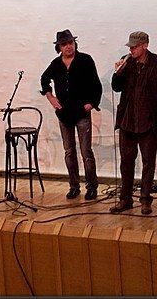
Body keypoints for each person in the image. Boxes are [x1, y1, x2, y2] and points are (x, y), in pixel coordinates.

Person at [110, 31, 157, 215]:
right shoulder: (126, 61)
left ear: (145, 45)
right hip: (128, 120)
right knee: (126, 162)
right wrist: (117, 73)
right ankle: (125, 199)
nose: (131, 50)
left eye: (135, 47)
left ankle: (145, 200)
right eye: (130, 47)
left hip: (148, 120)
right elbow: (116, 87)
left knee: (148, 163)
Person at [40, 29, 102, 200]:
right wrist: (51, 97)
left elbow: (96, 85)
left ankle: (92, 186)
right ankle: (74, 186)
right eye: (64, 44)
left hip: (82, 113)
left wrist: (91, 103)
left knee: (86, 152)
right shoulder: (56, 64)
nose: (68, 46)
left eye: (70, 43)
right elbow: (44, 79)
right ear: (59, 47)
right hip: (64, 114)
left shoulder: (85, 60)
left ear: (74, 43)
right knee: (69, 152)